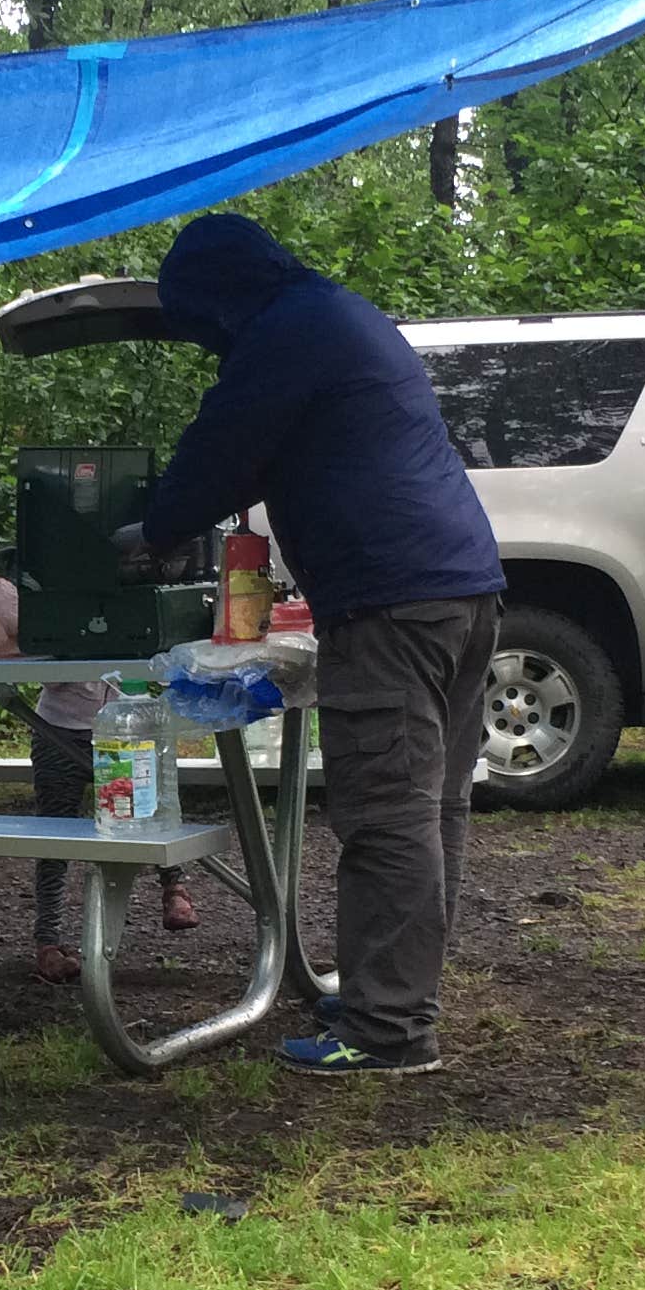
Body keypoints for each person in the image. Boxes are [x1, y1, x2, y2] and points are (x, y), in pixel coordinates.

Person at [126, 213, 503, 1073]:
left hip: (390, 604)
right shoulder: (335, 315)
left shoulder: (284, 334)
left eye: (202, 325)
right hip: (461, 590)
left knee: (388, 816)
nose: (208, 345)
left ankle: (388, 1029)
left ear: (222, 297)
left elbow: (216, 453)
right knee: (431, 808)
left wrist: (149, 529)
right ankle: (392, 991)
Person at [26, 677, 199, 984]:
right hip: (59, 728)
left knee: (151, 807)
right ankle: (47, 941)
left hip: (129, 722)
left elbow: (163, 667)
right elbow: (47, 673)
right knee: (54, 834)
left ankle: (174, 885)